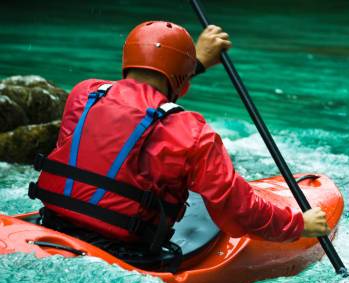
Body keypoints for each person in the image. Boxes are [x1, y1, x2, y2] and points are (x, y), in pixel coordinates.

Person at [28, 21, 330, 260]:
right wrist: (298, 225)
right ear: (183, 84)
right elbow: (238, 212)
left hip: (50, 225)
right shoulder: (193, 133)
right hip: (124, 251)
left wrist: (192, 64)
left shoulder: (84, 95)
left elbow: (133, 106)